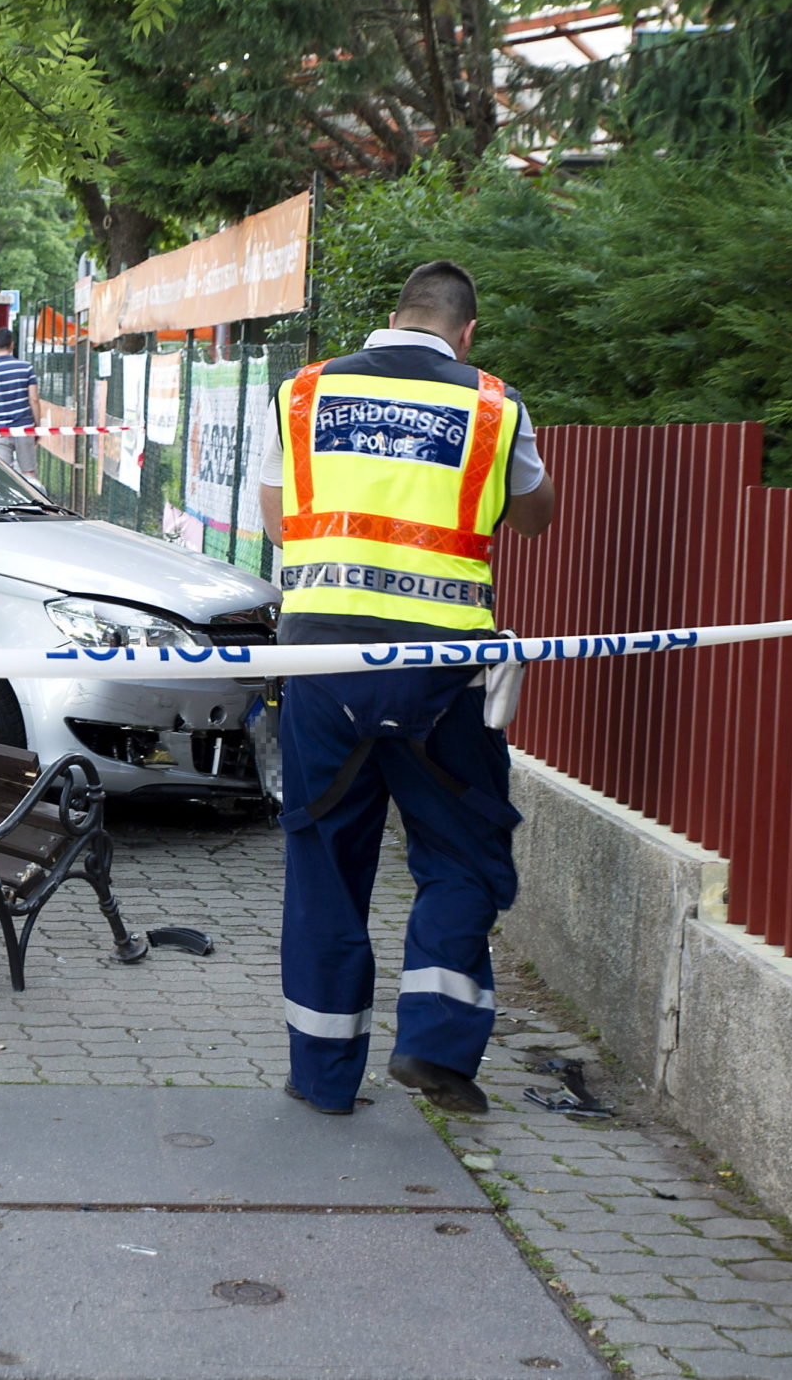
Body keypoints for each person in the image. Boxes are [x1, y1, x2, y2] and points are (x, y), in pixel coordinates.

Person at [251, 260, 558, 1119]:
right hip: (441, 674)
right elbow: (535, 515)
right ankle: (433, 1041)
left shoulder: (303, 393)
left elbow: (277, 516)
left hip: (320, 668)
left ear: (392, 316)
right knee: (462, 854)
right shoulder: (493, 405)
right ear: (467, 333)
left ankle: (320, 1078)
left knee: (323, 866)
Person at [0, 328, 37, 476]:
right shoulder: (27, 368)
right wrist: (37, 424)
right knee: (28, 471)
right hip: (24, 427)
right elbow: (34, 399)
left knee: (3, 474)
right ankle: (32, 498)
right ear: (12, 345)